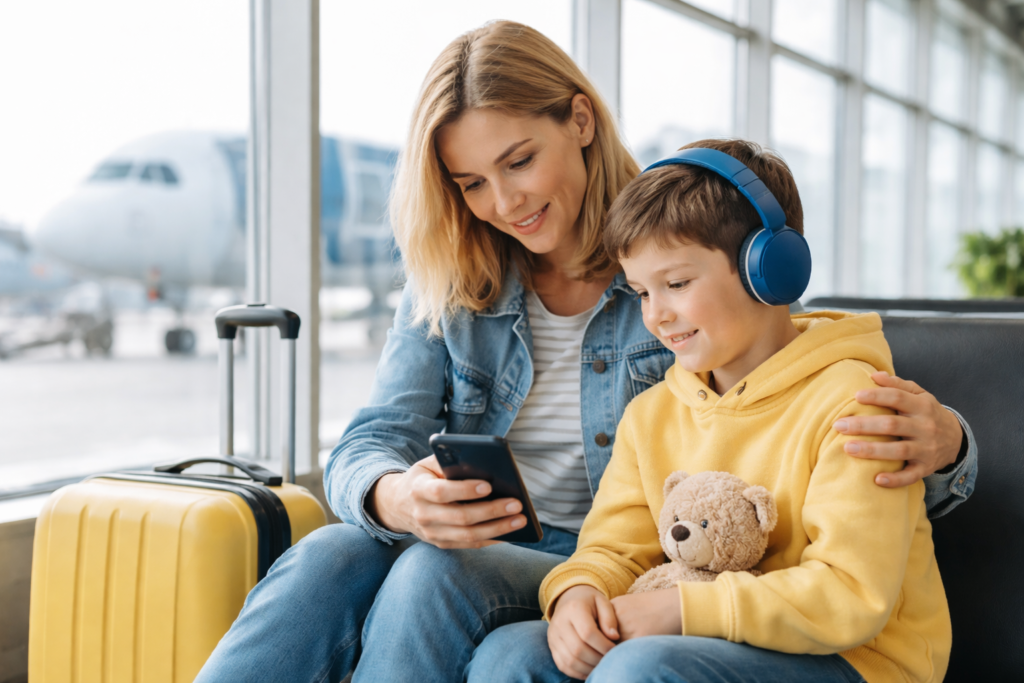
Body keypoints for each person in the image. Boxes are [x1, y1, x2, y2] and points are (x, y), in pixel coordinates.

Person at [195, 22, 974, 683]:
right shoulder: (455, 274)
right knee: (334, 550)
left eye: (519, 161)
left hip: (634, 561)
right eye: (470, 183)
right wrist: (394, 494)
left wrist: (950, 448)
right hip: (559, 555)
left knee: (440, 575)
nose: (504, 204)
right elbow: (371, 438)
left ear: (580, 121)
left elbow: (791, 429)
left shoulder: (685, 242)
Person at [467, 138, 952, 683]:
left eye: (676, 284)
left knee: (638, 667)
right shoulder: (651, 414)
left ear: (769, 270)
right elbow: (613, 547)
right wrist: (579, 593)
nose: (657, 316)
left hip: (857, 662)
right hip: (715, 640)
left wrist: (682, 609)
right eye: (642, 293)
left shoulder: (859, 405)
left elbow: (851, 595)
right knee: (508, 655)